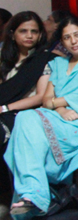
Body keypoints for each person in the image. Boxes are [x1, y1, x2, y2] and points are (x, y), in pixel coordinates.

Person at [4, 15, 78, 220]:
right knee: (25, 118)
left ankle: (30, 207)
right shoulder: (57, 63)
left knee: (28, 126)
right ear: (62, 42)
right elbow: (46, 100)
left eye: (77, 35)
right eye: (67, 38)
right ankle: (32, 196)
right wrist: (61, 109)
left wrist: (58, 103)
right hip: (60, 118)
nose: (73, 41)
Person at [0, 11, 56, 145]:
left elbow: (40, 96)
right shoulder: (3, 56)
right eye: (23, 31)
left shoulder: (45, 59)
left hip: (23, 113)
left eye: (34, 31)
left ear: (40, 35)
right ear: (12, 34)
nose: (29, 36)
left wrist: (5, 108)